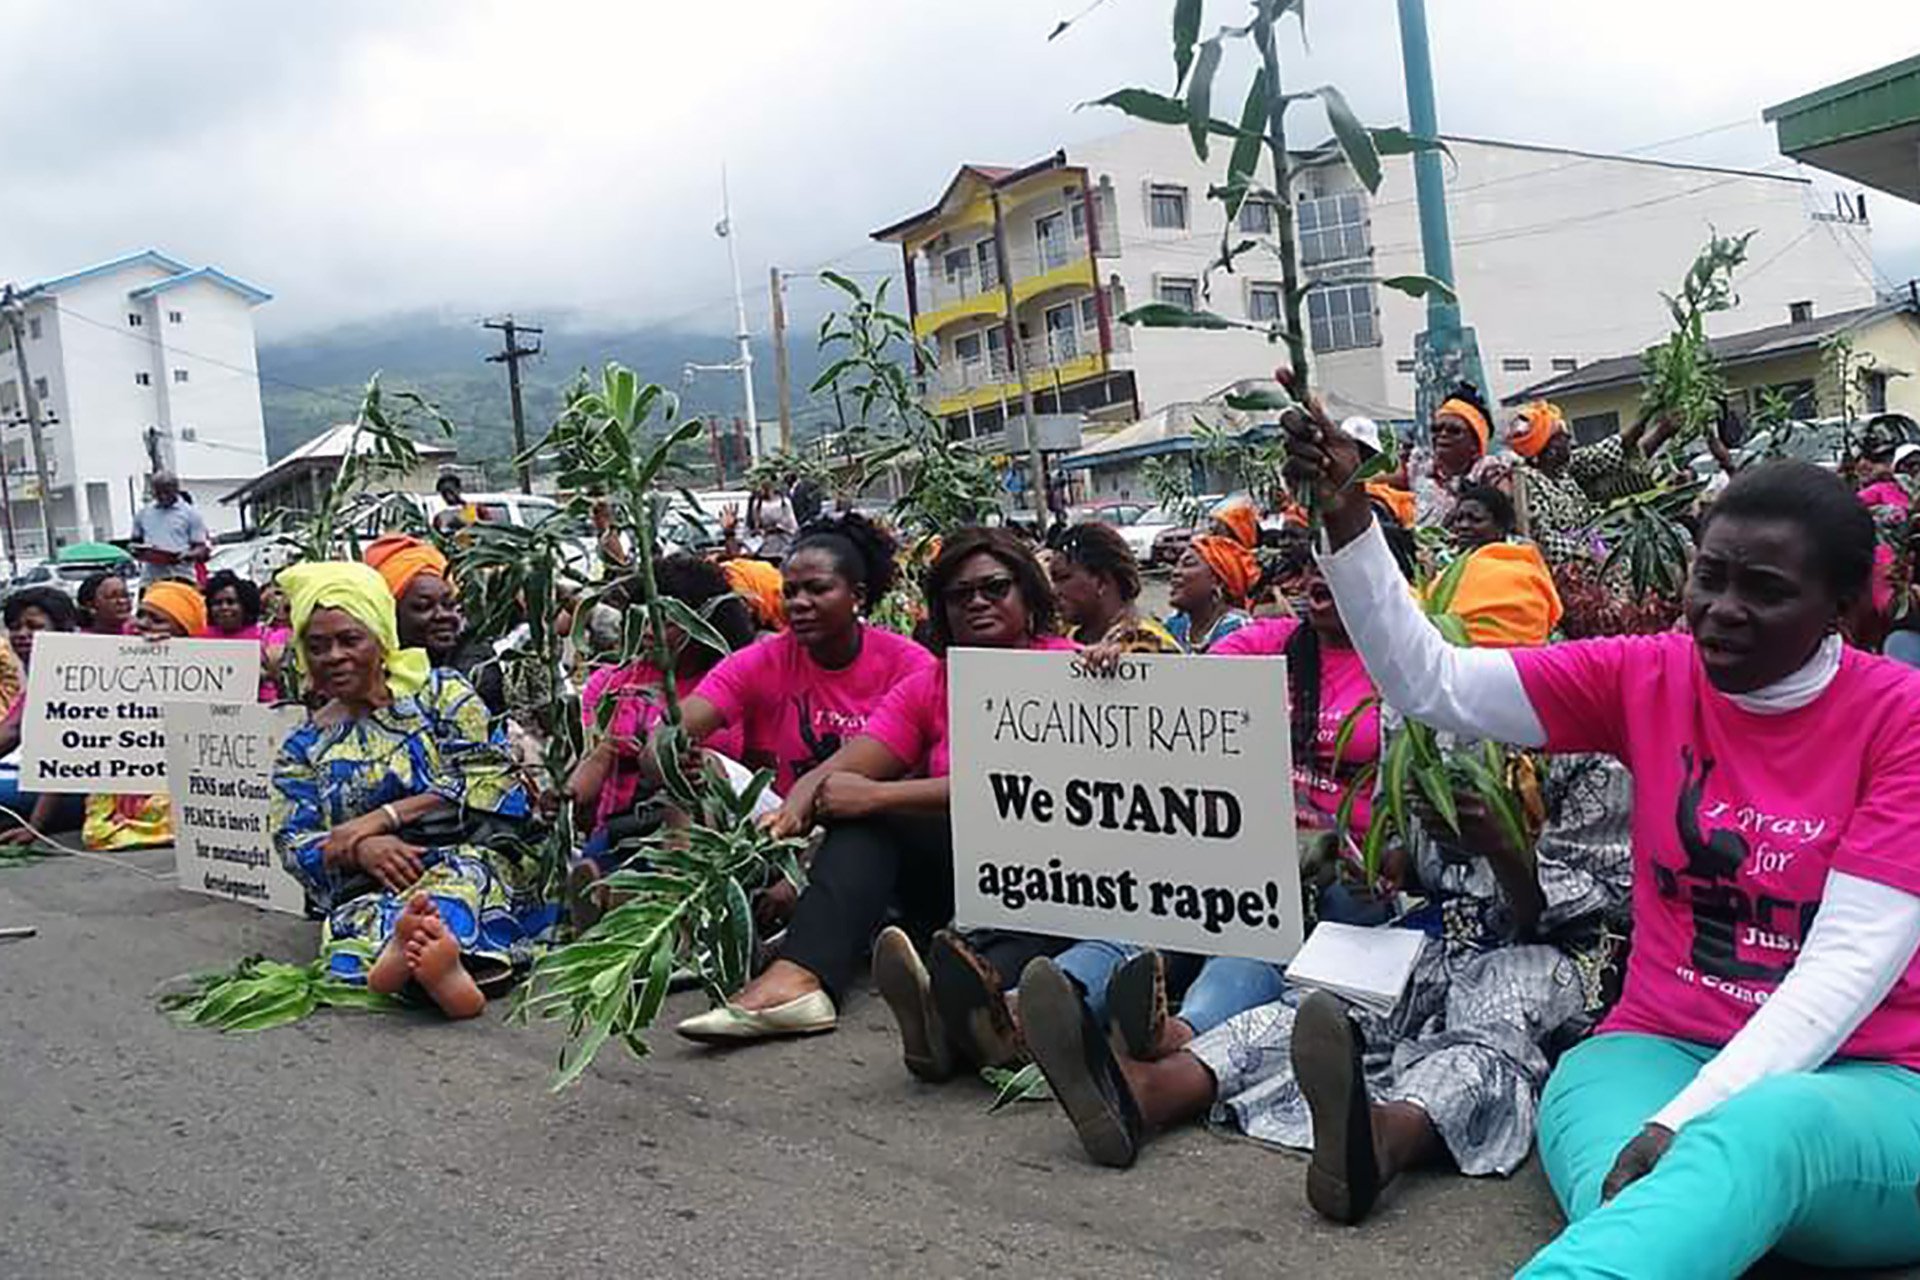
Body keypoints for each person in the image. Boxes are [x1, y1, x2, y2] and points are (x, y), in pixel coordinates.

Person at [1286, 397, 1920, 1276]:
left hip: (1869, 1085)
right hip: (1649, 1052)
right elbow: (1433, 683)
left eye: (1765, 591)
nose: (1719, 611)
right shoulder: (1648, 673)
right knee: (1652, 1202)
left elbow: (1849, 963)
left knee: (1749, 1145)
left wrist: (1688, 1118)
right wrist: (1351, 522)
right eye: (1710, 577)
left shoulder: (1902, 721)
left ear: (1842, 607)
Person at [1018, 751, 1633, 1219]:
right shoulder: (1439, 730)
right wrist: (1381, 864)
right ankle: (1153, 1089)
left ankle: (1385, 1136)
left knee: (1490, 1031)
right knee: (1325, 1006)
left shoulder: (1593, 757)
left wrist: (1502, 848)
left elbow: (1565, 906)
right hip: (1437, 931)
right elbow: (1423, 864)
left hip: (1554, 949)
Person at [676, 527, 1074, 1048]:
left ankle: (953, 1014)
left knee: (876, 812)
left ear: (1027, 593)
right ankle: (801, 980)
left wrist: (880, 796)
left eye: (994, 588)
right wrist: (796, 810)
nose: (976, 602)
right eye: (958, 595)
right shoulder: (931, 684)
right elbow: (844, 769)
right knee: (860, 816)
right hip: (960, 871)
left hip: (1057, 876)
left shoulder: (1072, 668)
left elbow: (1040, 788)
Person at [271, 562, 554, 1020]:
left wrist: (383, 818)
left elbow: (492, 775)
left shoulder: (442, 694)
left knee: (456, 893)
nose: (334, 656)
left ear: (382, 639)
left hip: (466, 852)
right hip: (373, 881)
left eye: (349, 639)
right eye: (317, 646)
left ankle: (431, 968)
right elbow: (291, 839)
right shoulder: (303, 747)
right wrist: (363, 851)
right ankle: (431, 967)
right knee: (360, 921)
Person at [673, 514, 932, 797]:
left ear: (857, 596)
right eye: (790, 592)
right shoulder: (760, 661)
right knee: (701, 772)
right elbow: (669, 735)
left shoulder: (910, 666)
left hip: (880, 815)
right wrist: (670, 761)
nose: (799, 603)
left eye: (817, 589)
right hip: (782, 821)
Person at [565, 555, 757, 865]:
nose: (650, 630)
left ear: (699, 623)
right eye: (643, 616)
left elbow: (752, 770)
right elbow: (598, 757)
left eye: (667, 620)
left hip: (712, 827)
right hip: (624, 829)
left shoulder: (732, 682)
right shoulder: (612, 683)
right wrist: (566, 796)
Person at [81, 582, 207, 850]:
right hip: (129, 764)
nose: (144, 624)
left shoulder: (206, 668)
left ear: (182, 629)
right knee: (97, 827)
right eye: (142, 615)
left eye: (157, 619)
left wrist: (172, 659)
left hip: (177, 769)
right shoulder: (117, 658)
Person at [1506, 401, 1674, 563]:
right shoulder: (1527, 483)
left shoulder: (1563, 471)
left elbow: (1607, 453)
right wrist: (1591, 552)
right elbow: (1545, 543)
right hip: (1576, 569)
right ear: (1551, 451)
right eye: (1563, 436)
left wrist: (1649, 416)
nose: (1570, 438)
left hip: (1600, 548)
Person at [363, 534, 504, 716]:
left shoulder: (475, 668)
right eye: (423, 606)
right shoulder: (364, 669)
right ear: (389, 614)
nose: (443, 615)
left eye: (449, 604)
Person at [0, 587, 85, 845]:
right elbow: (10, 731)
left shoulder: (75, 678)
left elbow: (62, 764)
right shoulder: (39, 679)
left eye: (34, 627)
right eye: (15, 627)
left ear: (62, 631)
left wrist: (34, 828)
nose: (22, 635)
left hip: (81, 793)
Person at [1441, 486, 1564, 648]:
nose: (1463, 525)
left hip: (1520, 658)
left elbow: (1534, 613)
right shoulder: (1443, 560)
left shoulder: (1521, 561)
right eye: (1459, 519)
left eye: (1475, 519)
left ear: (1500, 528)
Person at [1048, 521, 1178, 652]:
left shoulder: (1155, 647)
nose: (1054, 592)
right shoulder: (1062, 641)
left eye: (1063, 578)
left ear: (1101, 581)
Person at [1409, 384, 1509, 529]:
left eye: (1454, 431)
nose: (1442, 435)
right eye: (1436, 429)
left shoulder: (1486, 469)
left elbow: (1504, 500)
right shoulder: (1419, 465)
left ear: (1475, 444)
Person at [202, 570, 287, 702]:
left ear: (244, 605)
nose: (224, 607)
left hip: (260, 705)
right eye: (217, 603)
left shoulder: (266, 637)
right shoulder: (199, 638)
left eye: (231, 602)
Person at [1165, 535, 1257, 653]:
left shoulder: (1240, 631)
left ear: (1218, 580)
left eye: (1188, 564)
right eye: (1177, 565)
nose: (1175, 572)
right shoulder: (1175, 624)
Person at [129, 471, 212, 584]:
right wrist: (137, 551)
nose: (163, 496)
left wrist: (187, 555)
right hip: (151, 578)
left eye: (167, 492)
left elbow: (201, 548)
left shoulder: (190, 514)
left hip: (181, 576)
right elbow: (135, 542)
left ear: (176, 489)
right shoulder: (143, 513)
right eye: (158, 493)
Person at [746, 480, 799, 561]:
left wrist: (780, 528)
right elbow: (755, 524)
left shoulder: (783, 503)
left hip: (782, 546)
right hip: (764, 547)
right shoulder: (757, 504)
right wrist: (760, 531)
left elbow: (793, 525)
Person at [77, 571, 134, 636]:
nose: (122, 601)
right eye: (112, 596)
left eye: (125, 595)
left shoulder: (139, 633)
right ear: (90, 604)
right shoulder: (77, 638)